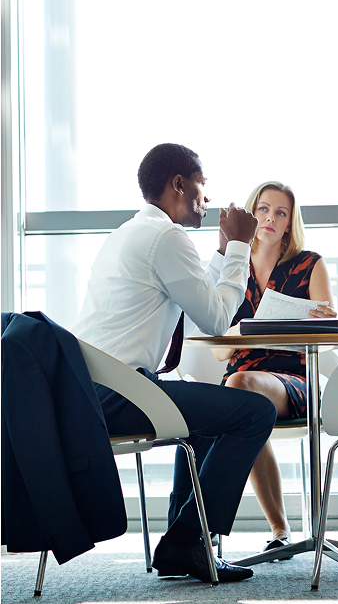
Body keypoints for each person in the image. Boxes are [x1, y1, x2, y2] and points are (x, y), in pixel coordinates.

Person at [73, 143, 277, 583]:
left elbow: (197, 292)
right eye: (202, 186)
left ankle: (184, 542)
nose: (207, 198)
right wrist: (241, 245)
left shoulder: (134, 232)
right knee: (254, 413)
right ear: (179, 184)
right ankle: (187, 539)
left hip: (95, 391)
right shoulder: (166, 237)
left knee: (207, 415)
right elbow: (218, 317)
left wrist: (225, 252)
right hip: (121, 392)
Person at [210, 181, 336, 553]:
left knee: (240, 389)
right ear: (251, 214)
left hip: (296, 378)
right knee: (241, 389)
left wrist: (315, 319)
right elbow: (218, 352)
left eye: (280, 212)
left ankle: (264, 527)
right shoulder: (232, 267)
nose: (269, 218)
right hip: (240, 377)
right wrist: (249, 330)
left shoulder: (309, 264)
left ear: (289, 223)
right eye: (263, 209)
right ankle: (274, 530)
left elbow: (325, 336)